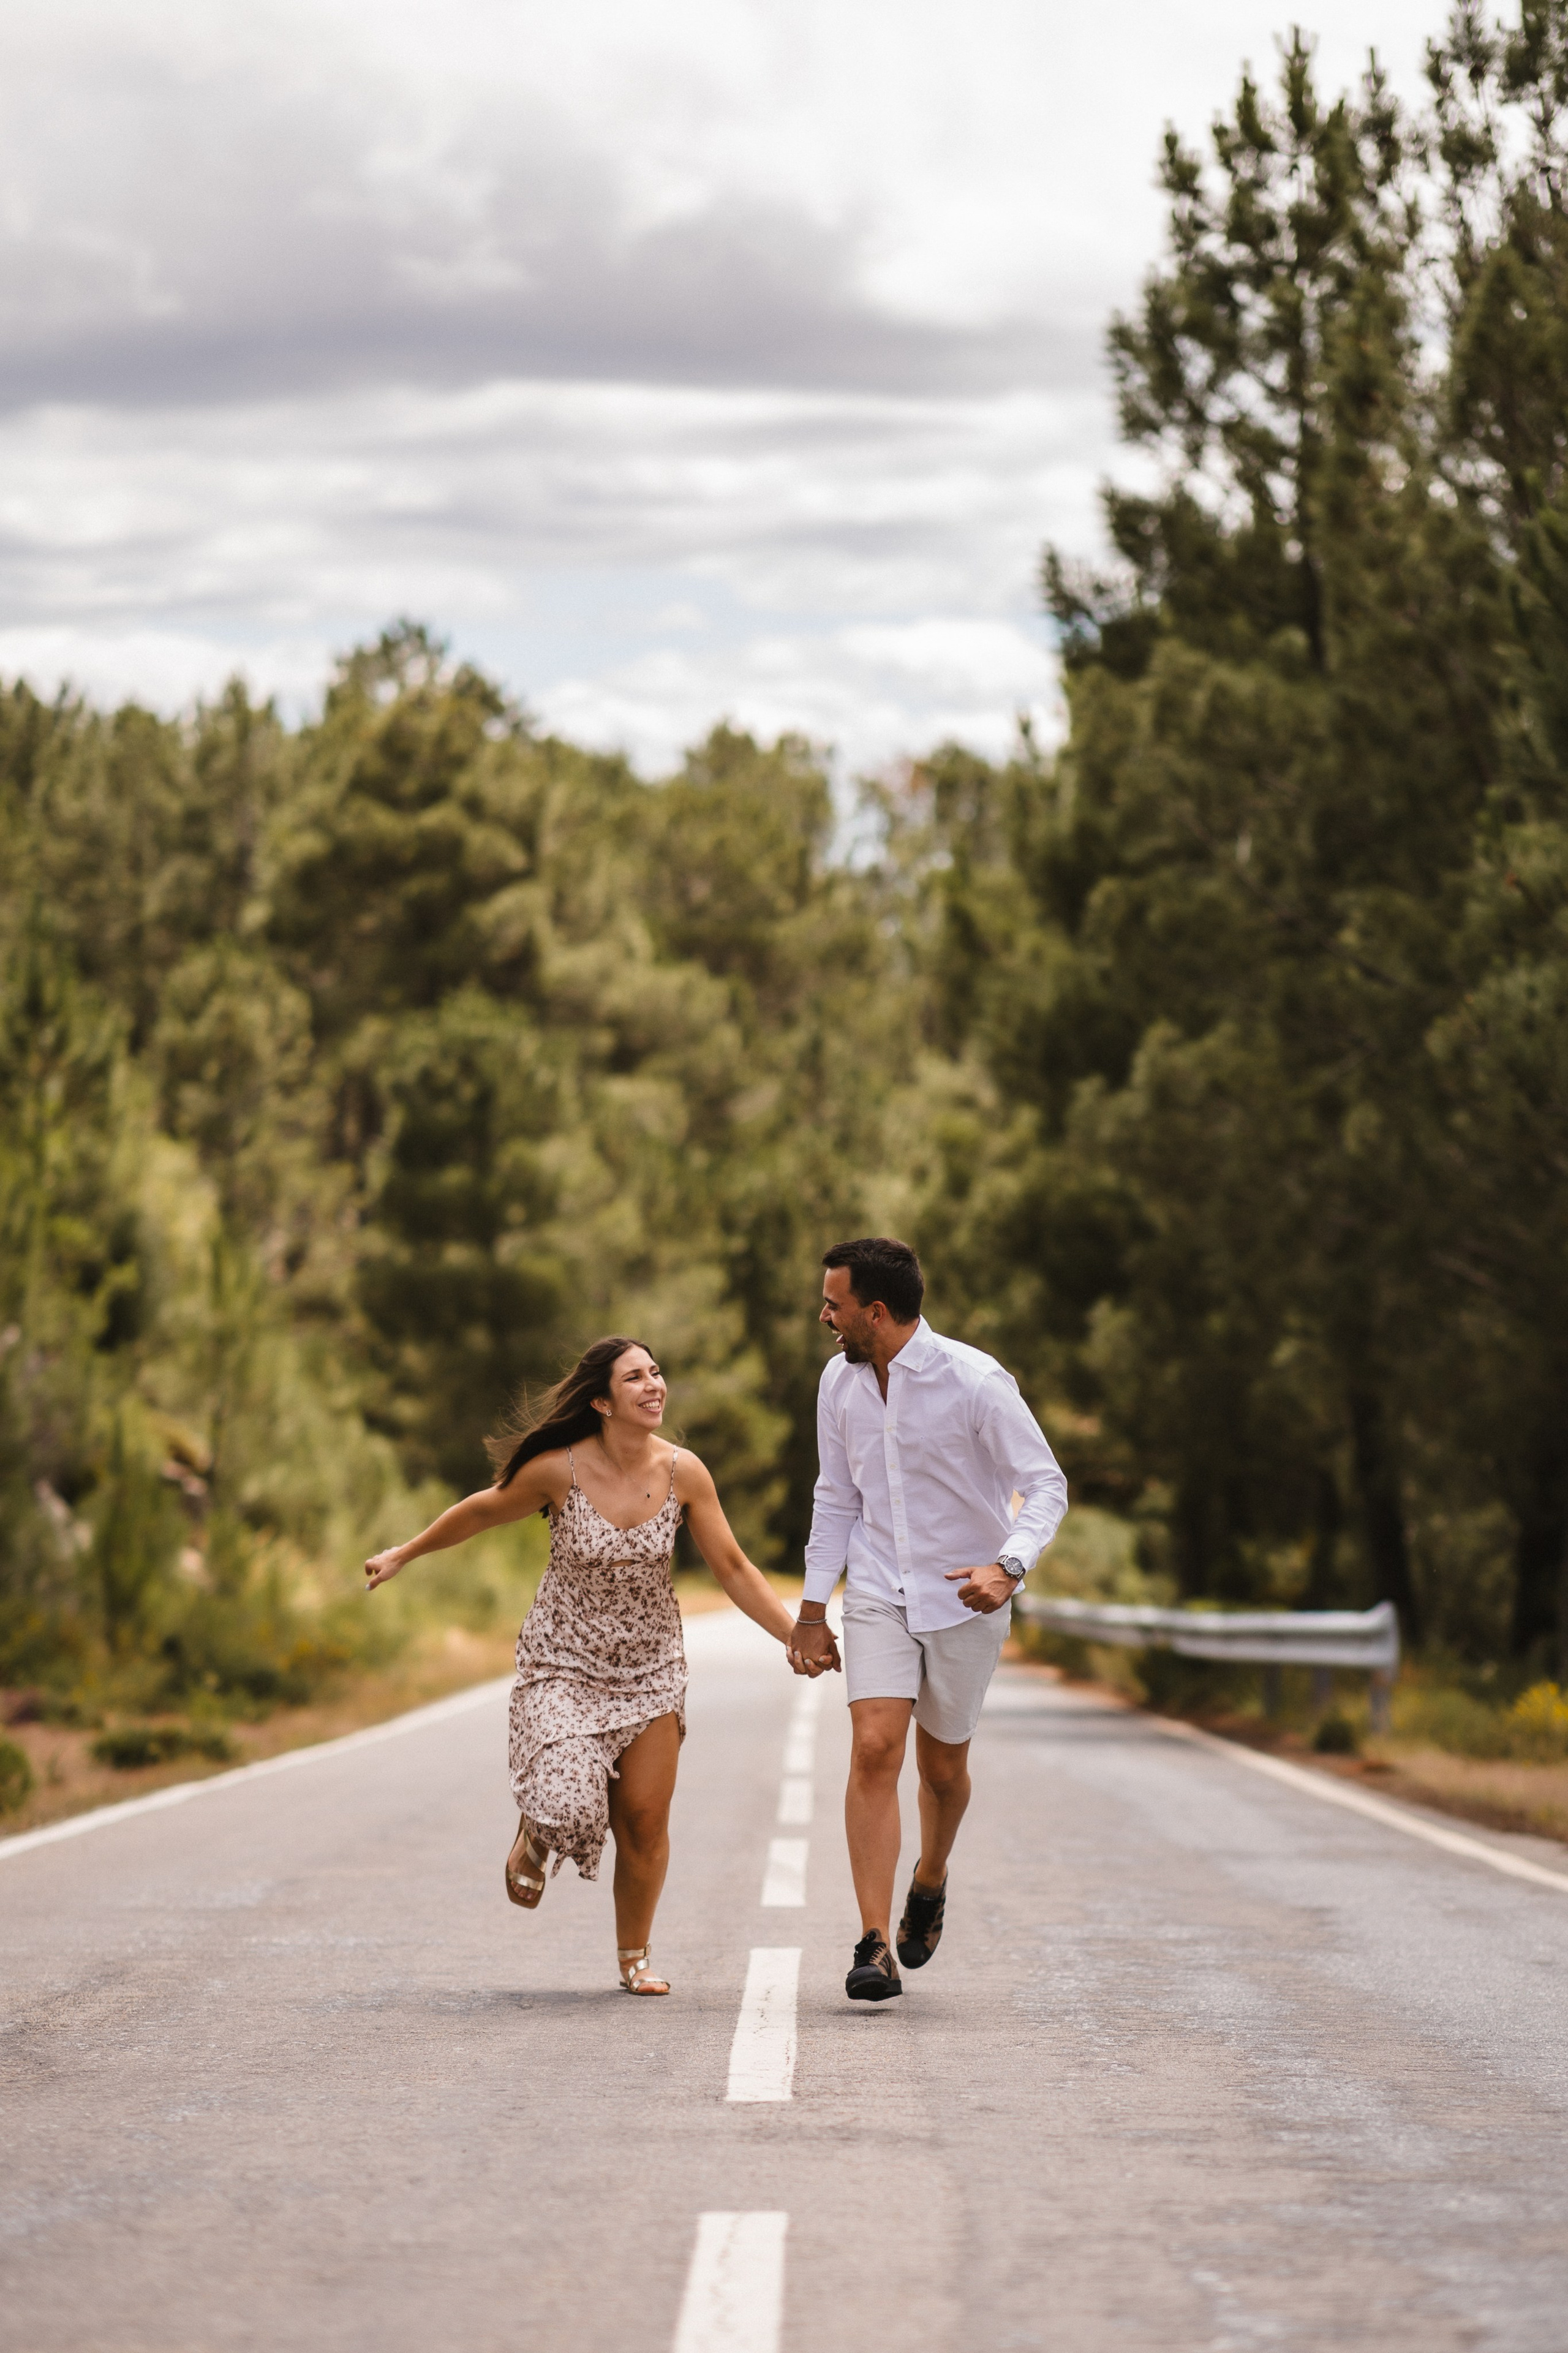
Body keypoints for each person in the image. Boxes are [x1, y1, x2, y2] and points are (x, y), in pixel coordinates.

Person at [364, 1335, 827, 1996]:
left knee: (643, 1819)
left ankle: (634, 1957)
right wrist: (404, 1553)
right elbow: (484, 1509)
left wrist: (795, 1634)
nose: (654, 1385)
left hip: (650, 1670)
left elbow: (733, 1567)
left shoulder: (683, 1472)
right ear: (603, 1402)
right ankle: (536, 1828)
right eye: (635, 1377)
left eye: (657, 1372)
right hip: (564, 1661)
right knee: (569, 1797)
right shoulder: (560, 1470)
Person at [788, 1239, 1067, 2002]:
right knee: (875, 1746)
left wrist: (1007, 1566)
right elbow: (835, 1496)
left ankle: (931, 1876)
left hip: (964, 1597)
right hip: (878, 1587)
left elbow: (1043, 1484)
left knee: (942, 1770)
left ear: (874, 1312)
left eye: (834, 1305)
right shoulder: (838, 1385)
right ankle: (874, 1941)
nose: (825, 1316)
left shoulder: (975, 1381)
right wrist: (813, 1608)